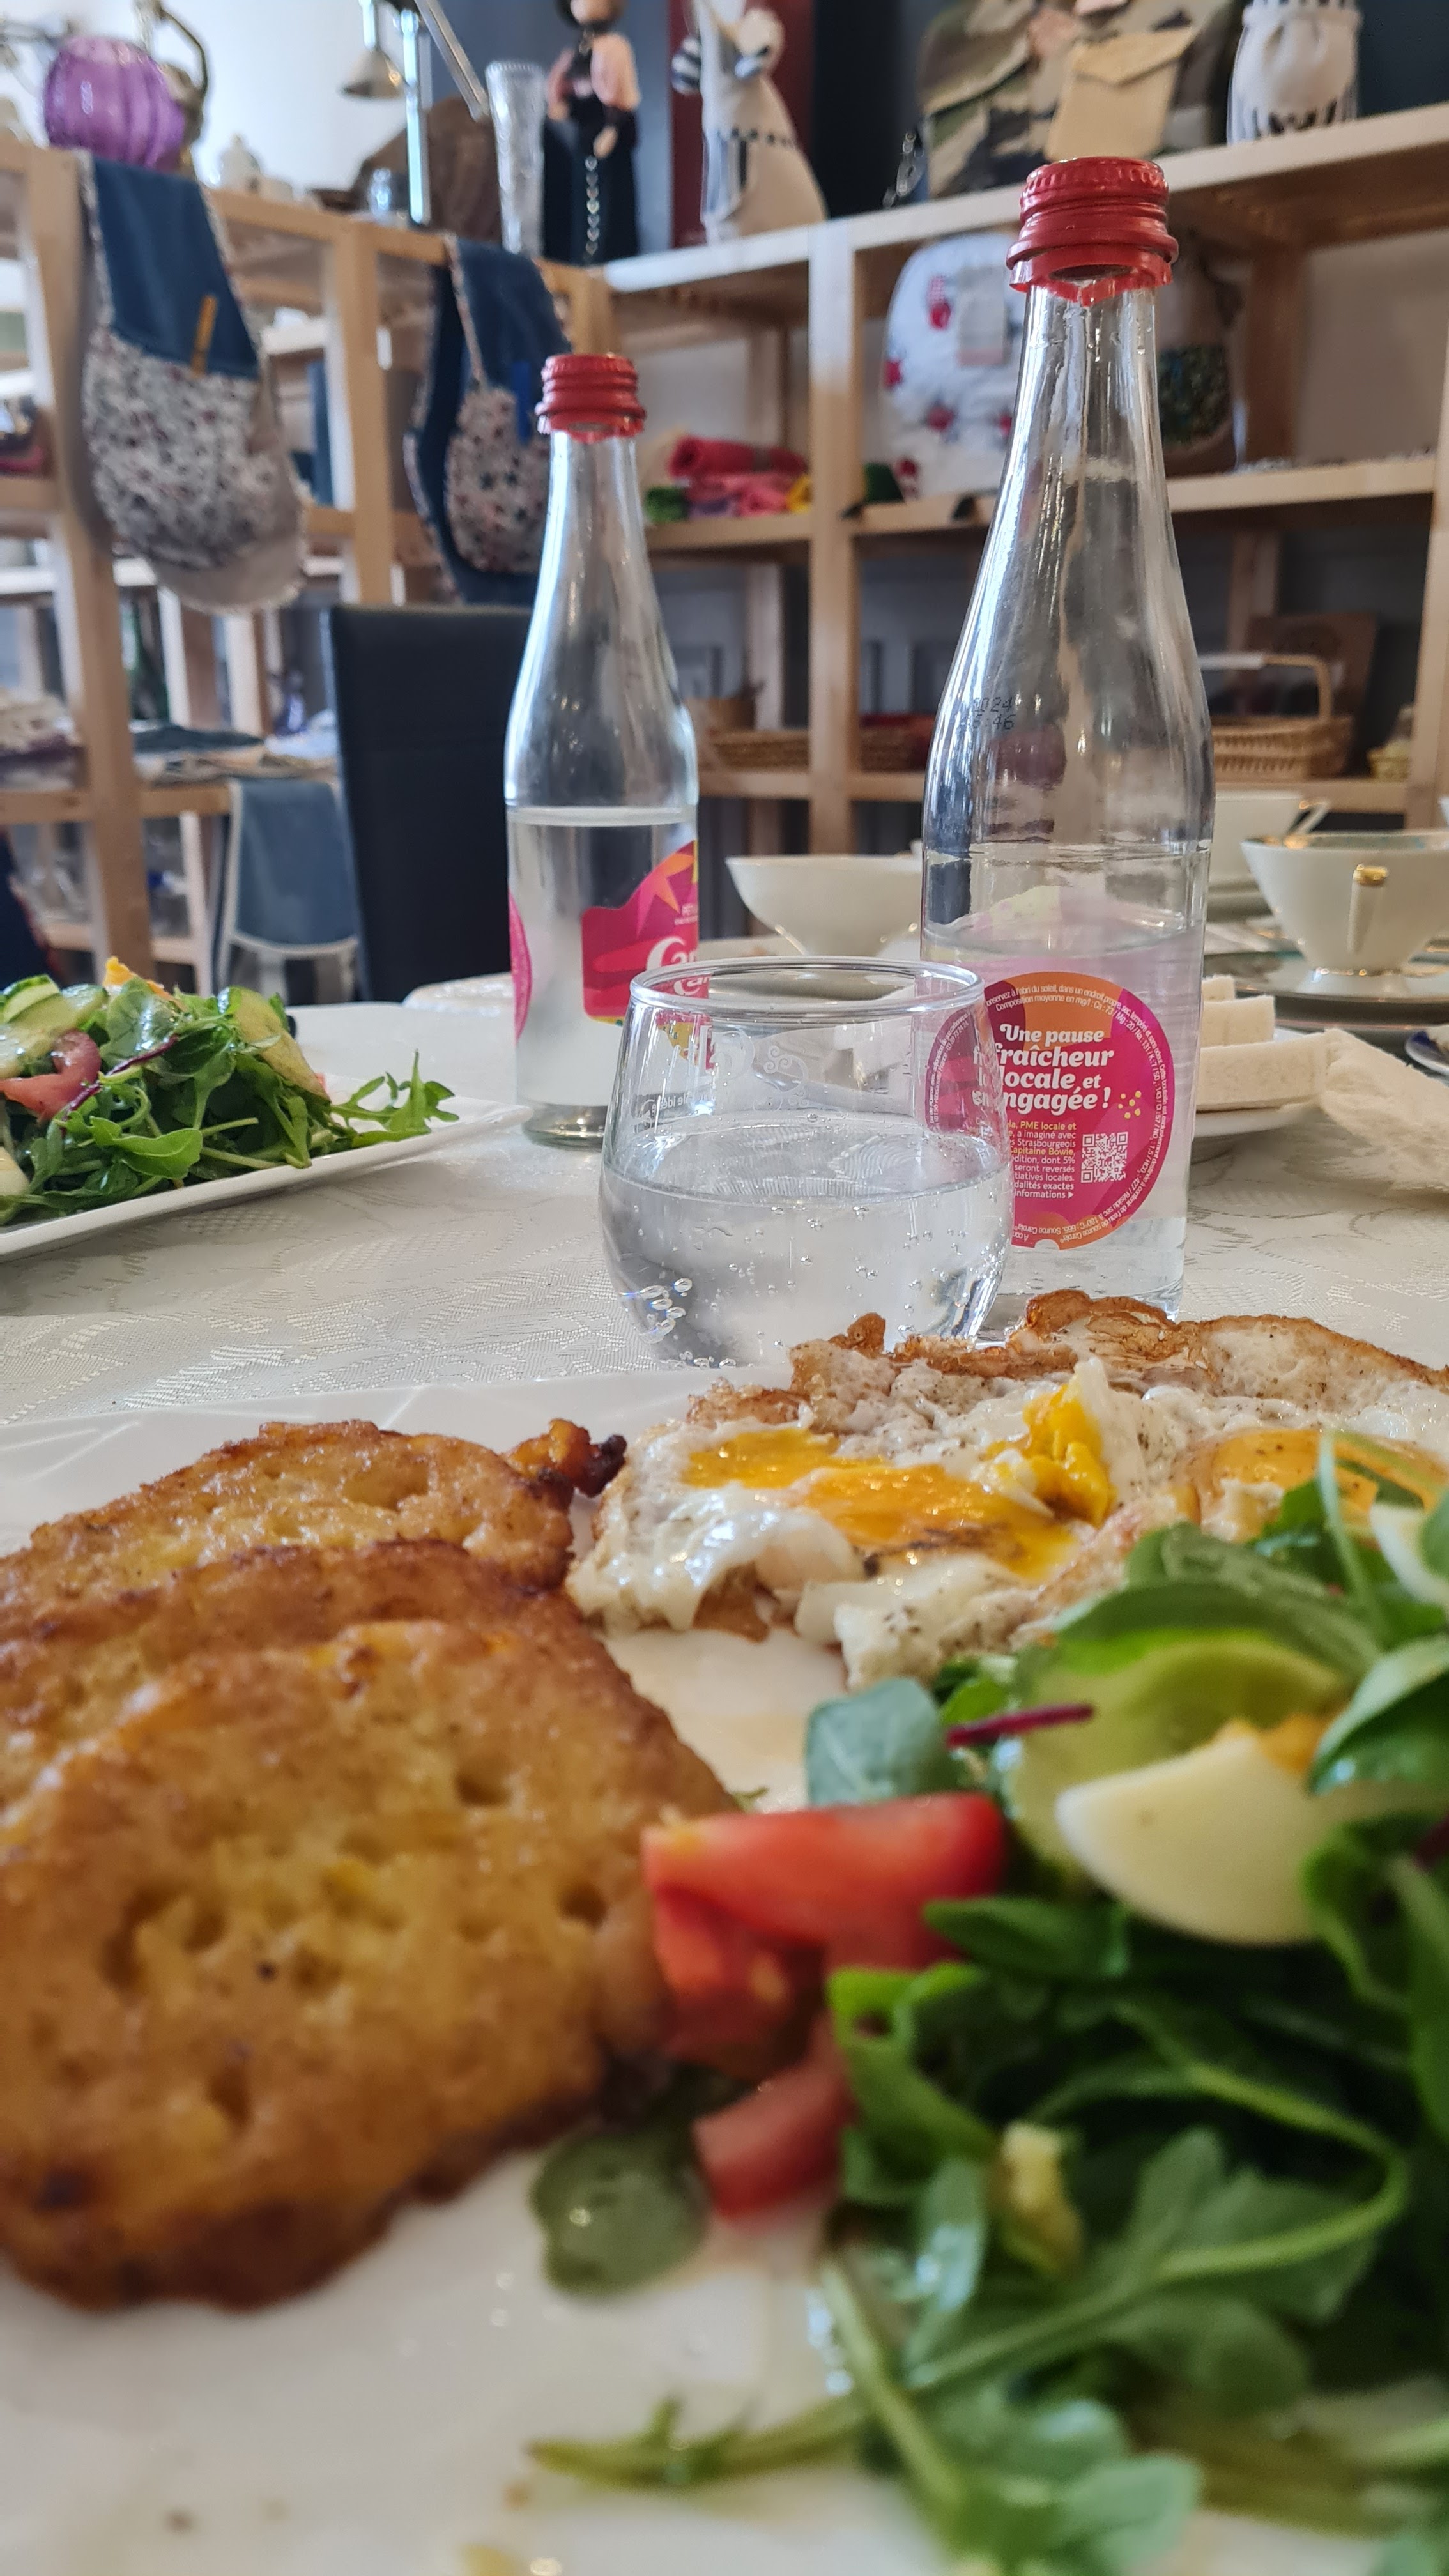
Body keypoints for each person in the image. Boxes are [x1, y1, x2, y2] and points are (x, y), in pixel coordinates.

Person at [544, 0, 640, 266]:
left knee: (610, 198)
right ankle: (587, 254)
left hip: (608, 134)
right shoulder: (579, 50)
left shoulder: (616, 48)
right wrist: (565, 106)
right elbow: (571, 93)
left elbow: (623, 99)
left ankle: (609, 252)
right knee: (584, 198)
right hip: (586, 136)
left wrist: (612, 128)